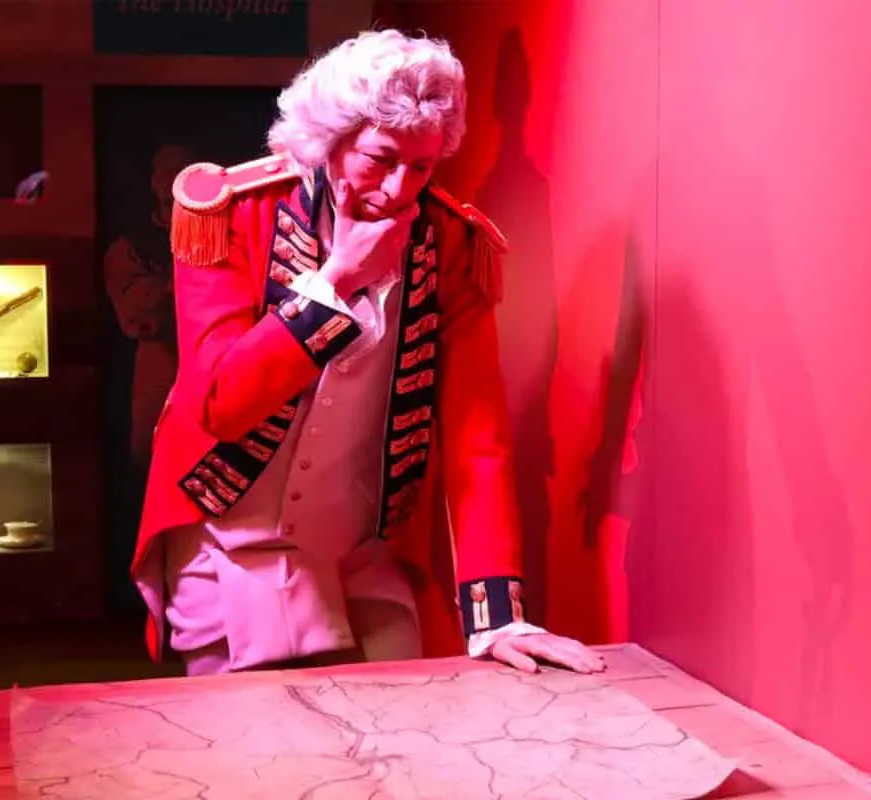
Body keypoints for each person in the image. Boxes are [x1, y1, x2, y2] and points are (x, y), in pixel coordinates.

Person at [129, 29, 605, 677]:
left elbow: (476, 438)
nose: (399, 188)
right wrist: (336, 283)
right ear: (330, 141)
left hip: (356, 548)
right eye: (380, 159)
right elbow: (220, 406)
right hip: (229, 545)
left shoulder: (452, 243)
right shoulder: (230, 215)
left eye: (423, 165)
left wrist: (497, 612)